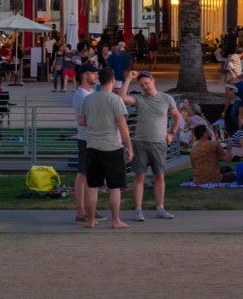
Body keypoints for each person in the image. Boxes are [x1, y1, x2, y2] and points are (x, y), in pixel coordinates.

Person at [119, 70, 181, 221]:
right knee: (139, 176)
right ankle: (138, 209)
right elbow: (122, 98)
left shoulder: (166, 98)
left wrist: (172, 133)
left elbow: (176, 115)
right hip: (140, 142)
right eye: (141, 85)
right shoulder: (139, 99)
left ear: (153, 81)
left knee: (159, 176)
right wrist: (128, 79)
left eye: (146, 83)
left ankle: (160, 208)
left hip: (159, 143)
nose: (145, 87)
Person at [78, 67, 133, 229]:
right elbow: (122, 126)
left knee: (93, 186)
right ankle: (115, 220)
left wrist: (96, 121)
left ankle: (90, 220)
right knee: (115, 186)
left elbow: (81, 121)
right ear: (112, 80)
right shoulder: (115, 100)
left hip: (92, 146)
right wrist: (129, 146)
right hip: (112, 147)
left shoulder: (88, 99)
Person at [71, 65, 100, 223]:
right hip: (86, 138)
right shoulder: (81, 95)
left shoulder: (92, 93)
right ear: (85, 75)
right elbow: (84, 119)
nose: (96, 76)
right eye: (94, 73)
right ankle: (82, 211)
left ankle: (90, 209)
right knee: (83, 174)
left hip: (93, 138)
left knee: (90, 175)